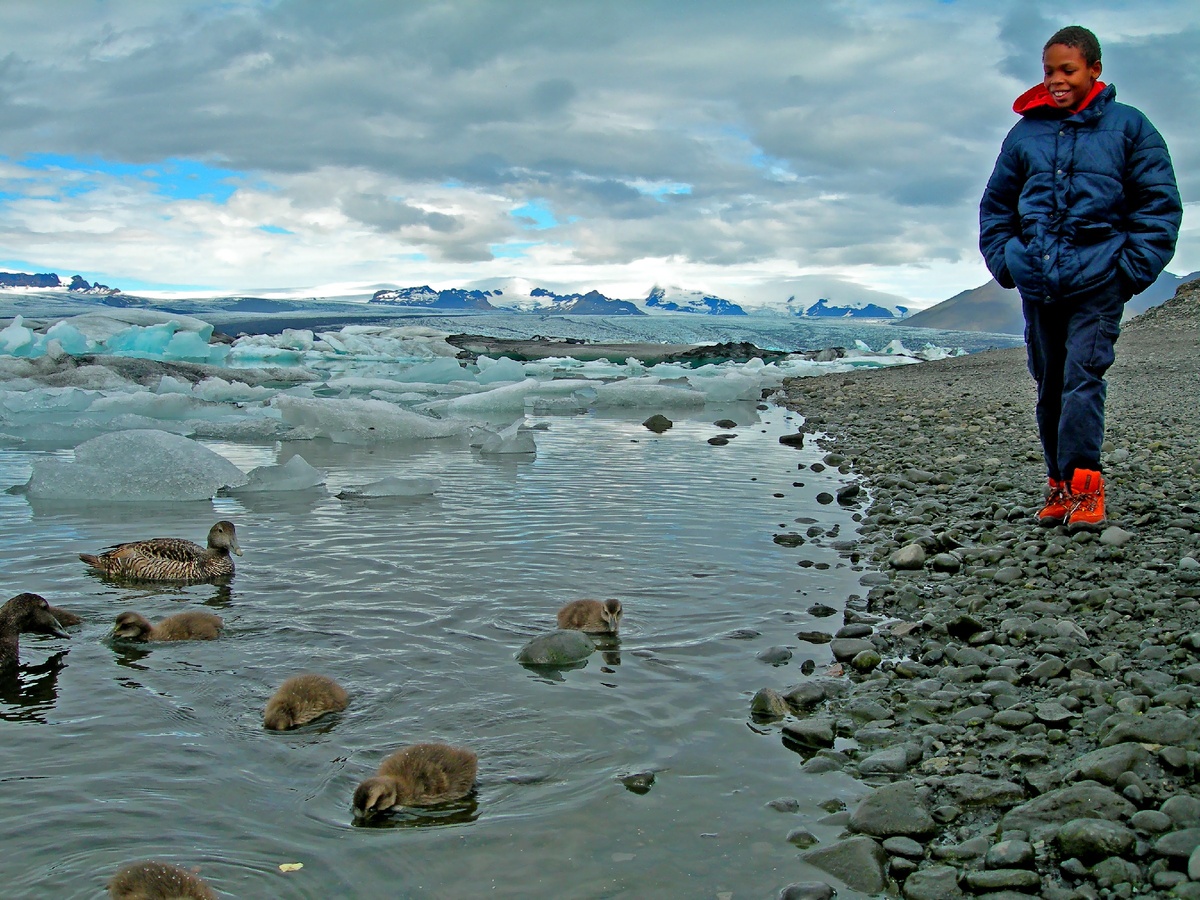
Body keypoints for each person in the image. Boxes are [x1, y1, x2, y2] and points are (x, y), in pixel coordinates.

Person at [979, 25, 1181, 532]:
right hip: (1039, 282)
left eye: (1067, 70)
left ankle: (1087, 488)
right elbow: (997, 205)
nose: (1056, 81)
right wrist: (1007, 260)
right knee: (1048, 386)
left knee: (1082, 380)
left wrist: (1127, 273)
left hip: (1099, 281)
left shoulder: (1131, 128)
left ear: (1094, 70)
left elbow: (1159, 208)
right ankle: (1058, 486)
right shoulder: (1026, 132)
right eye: (1048, 71)